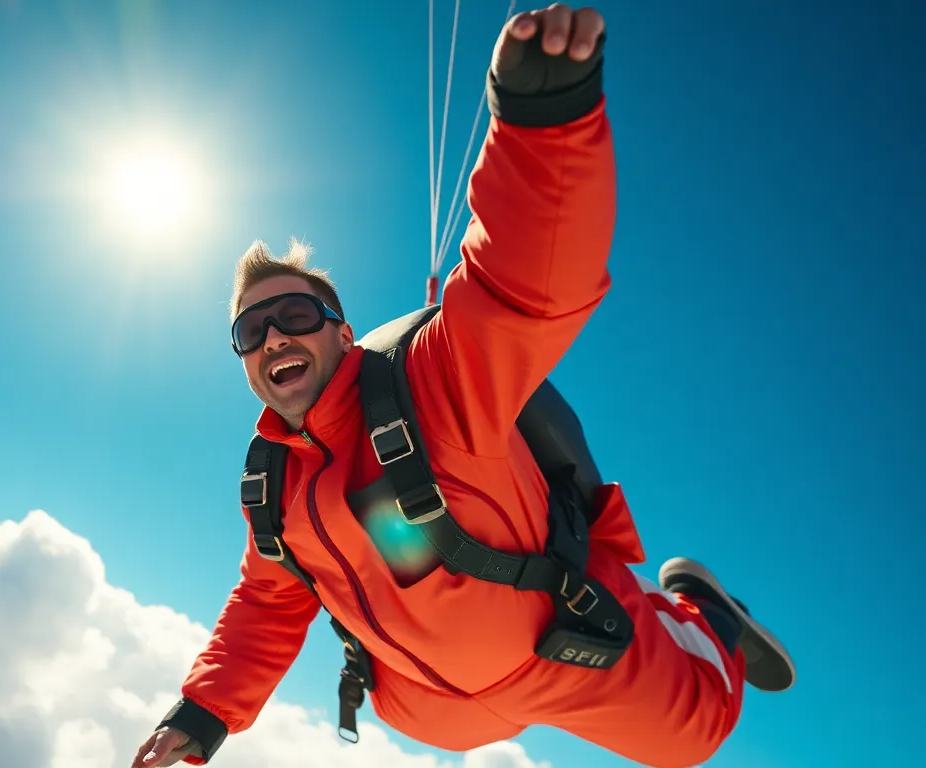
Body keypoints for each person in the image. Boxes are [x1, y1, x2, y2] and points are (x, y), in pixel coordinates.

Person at [130, 5, 795, 767]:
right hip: (432, 706)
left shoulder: (431, 379)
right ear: (246, 362)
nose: (274, 336)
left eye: (293, 314)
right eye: (252, 332)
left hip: (562, 639)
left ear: (341, 333)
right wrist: (206, 711)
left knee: (696, 735)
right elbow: (270, 601)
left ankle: (705, 609)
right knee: (432, 710)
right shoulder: (272, 485)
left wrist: (543, 125)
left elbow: (521, 286)